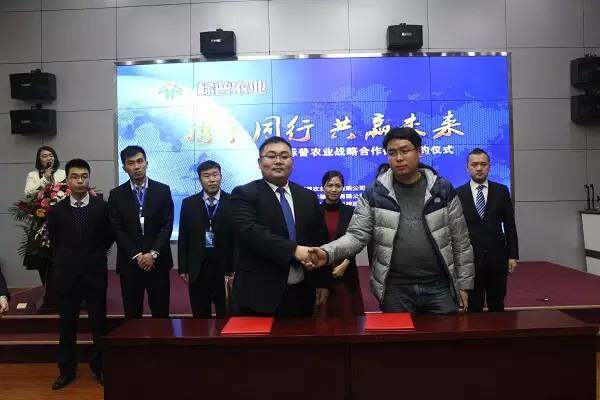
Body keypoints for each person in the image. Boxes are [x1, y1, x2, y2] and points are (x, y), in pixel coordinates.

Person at [310, 127, 474, 314]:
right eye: (392, 153)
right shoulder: (375, 193)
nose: (399, 158)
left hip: (439, 286)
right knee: (397, 334)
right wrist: (327, 252)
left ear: (419, 152)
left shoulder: (442, 189)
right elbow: (356, 235)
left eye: (405, 151)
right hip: (395, 289)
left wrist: (464, 284)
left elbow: (461, 240)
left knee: (444, 333)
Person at [231, 136, 330, 317]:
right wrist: (294, 250)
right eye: (271, 156)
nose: (278, 161)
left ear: (292, 162)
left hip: (302, 293)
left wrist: (322, 282)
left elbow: (319, 238)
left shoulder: (307, 197)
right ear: (259, 163)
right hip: (258, 295)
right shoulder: (244, 194)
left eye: (284, 156)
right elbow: (251, 232)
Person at [46, 159, 113, 390]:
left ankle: (100, 367)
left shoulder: (101, 207)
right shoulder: (57, 210)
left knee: (98, 325)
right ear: (67, 180)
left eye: (84, 176)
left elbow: (108, 237)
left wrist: (93, 255)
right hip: (67, 276)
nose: (80, 181)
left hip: (94, 273)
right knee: (67, 326)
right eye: (75, 177)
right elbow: (55, 241)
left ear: (89, 178)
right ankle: (66, 370)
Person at [108, 146, 174, 319]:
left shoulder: (163, 190)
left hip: (158, 262)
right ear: (124, 168)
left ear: (146, 163)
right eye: (131, 163)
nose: (136, 167)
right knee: (132, 314)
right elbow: (117, 229)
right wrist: (138, 256)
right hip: (130, 264)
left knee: (161, 314)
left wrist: (153, 254)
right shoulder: (116, 195)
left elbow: (167, 225)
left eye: (140, 161)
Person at [457, 148, 518, 312]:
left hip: (497, 258)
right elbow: (456, 230)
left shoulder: (501, 191)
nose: (479, 168)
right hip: (471, 260)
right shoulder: (458, 193)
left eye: (483, 164)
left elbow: (510, 225)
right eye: (474, 164)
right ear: (467, 167)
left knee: (497, 305)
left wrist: (512, 255)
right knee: (473, 307)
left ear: (489, 166)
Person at [178, 160, 234, 318]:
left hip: (225, 269)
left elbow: (237, 238)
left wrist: (235, 268)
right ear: (200, 179)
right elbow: (183, 237)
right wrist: (183, 268)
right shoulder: (189, 203)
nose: (212, 179)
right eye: (207, 176)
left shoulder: (233, 202)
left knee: (226, 315)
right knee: (199, 317)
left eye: (215, 175)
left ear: (221, 176)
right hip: (198, 269)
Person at [320, 170, 364, 316]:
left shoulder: (351, 211)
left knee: (348, 316)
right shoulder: (314, 211)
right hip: (321, 271)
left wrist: (344, 264)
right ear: (323, 187)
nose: (334, 189)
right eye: (330, 185)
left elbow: (356, 240)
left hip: (346, 270)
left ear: (343, 187)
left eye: (338, 186)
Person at [23, 146, 67, 288]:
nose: (49, 158)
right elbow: (28, 193)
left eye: (51, 155)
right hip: (41, 220)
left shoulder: (62, 173)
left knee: (62, 256)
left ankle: (62, 289)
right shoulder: (33, 175)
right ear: (39, 159)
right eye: (44, 156)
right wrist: (45, 178)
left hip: (62, 220)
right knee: (41, 258)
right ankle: (47, 290)